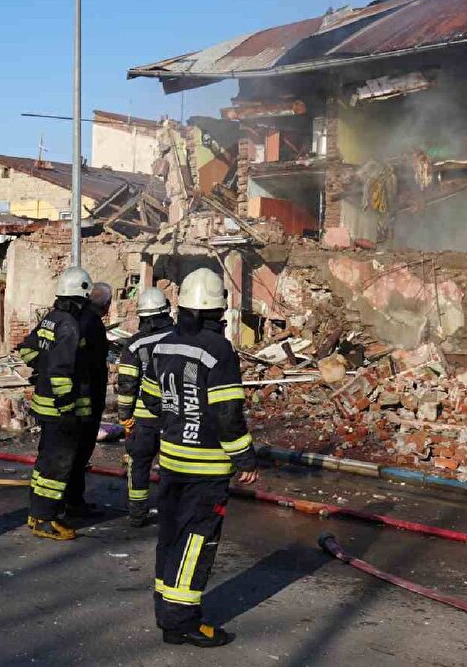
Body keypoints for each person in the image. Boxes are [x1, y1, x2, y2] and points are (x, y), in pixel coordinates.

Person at [140, 268, 258, 648]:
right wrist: (245, 459)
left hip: (172, 461)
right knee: (196, 541)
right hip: (205, 467)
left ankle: (166, 606)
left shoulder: (164, 345)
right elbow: (227, 414)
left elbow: (151, 400)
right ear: (217, 310)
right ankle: (182, 622)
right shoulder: (218, 350)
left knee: (171, 537)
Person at [16, 266, 91, 541]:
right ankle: (45, 520)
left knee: (45, 462)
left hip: (43, 405)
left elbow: (25, 349)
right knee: (57, 466)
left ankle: (37, 512)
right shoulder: (70, 325)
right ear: (80, 298)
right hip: (61, 410)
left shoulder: (51, 319)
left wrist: (42, 366)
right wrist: (67, 406)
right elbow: (61, 372)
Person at [116, 287, 175, 527]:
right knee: (174, 465)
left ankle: (138, 514)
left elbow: (127, 384)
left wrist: (125, 417)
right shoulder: (180, 337)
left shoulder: (135, 344)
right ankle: (173, 511)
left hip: (144, 417)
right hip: (176, 414)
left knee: (138, 463)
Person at [65, 281, 111, 519]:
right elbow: (93, 365)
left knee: (73, 452)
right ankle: (73, 502)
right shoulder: (92, 325)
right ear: (106, 304)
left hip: (74, 398)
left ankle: (70, 500)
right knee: (80, 452)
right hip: (87, 398)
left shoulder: (75, 320)